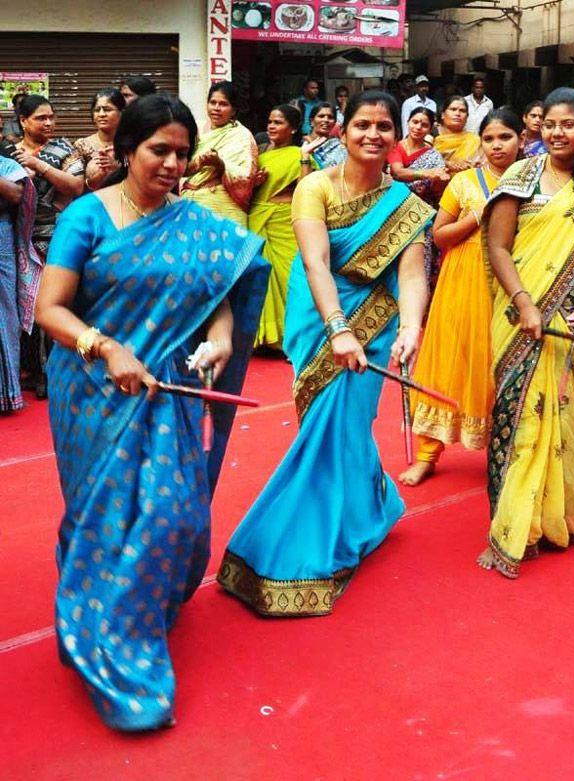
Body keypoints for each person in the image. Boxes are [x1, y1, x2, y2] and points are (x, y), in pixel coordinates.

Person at [34, 93, 267, 731]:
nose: (172, 163)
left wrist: (220, 339)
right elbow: (49, 309)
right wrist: (107, 347)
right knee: (103, 513)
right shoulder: (88, 216)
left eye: (183, 153)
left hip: (168, 390)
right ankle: (112, 646)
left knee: (174, 513)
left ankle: (132, 599)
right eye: (158, 150)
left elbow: (217, 290)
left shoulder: (195, 224)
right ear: (126, 151)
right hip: (93, 387)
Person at [219, 91, 435, 616]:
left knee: (347, 427)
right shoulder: (314, 186)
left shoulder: (406, 204)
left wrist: (411, 326)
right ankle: (288, 545)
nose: (373, 134)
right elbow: (315, 263)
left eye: (385, 126)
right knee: (325, 426)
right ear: (342, 129)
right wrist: (339, 330)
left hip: (378, 322)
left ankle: (362, 514)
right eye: (362, 123)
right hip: (319, 318)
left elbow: (411, 271)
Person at [478, 87, 574, 578]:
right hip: (520, 317)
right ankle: (517, 524)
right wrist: (526, 303)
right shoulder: (520, 178)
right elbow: (499, 247)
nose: (556, 132)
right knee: (522, 414)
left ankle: (568, 513)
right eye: (548, 123)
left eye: (569, 124)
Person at [399, 108, 524, 486]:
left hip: (513, 283)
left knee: (502, 363)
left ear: (521, 139)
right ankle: (427, 454)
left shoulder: (531, 182)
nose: (497, 145)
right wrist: (475, 219)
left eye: (505, 137)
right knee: (448, 360)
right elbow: (439, 236)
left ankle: (510, 451)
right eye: (489, 139)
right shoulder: (464, 182)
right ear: (480, 142)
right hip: (461, 279)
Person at [13, 95, 85, 398]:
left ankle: (51, 373)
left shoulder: (64, 150)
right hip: (18, 239)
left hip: (55, 237)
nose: (49, 123)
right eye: (41, 118)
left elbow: (76, 186)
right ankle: (29, 369)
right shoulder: (10, 152)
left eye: (51, 117)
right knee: (23, 308)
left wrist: (39, 166)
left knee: (51, 306)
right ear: (23, 121)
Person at [252, 104, 322, 350]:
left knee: (290, 278)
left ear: (292, 128)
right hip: (258, 218)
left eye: (278, 122)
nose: (271, 126)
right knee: (262, 278)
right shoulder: (259, 155)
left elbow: (306, 191)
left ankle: (292, 339)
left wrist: (304, 157)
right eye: (270, 121)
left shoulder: (300, 155)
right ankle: (265, 337)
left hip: (285, 223)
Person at [181, 81, 258, 227]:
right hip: (191, 202)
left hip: (223, 204)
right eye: (213, 102)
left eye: (223, 104)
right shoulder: (195, 129)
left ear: (234, 110)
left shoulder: (241, 135)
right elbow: (180, 168)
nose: (216, 108)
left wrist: (220, 164)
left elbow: (246, 177)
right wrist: (200, 162)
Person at [388, 106, 449, 283]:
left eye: (424, 124)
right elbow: (398, 172)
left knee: (420, 262)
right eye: (415, 122)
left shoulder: (434, 156)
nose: (418, 127)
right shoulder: (395, 147)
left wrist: (440, 179)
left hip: (421, 216)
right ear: (407, 122)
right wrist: (428, 173)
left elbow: (438, 188)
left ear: (430, 129)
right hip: (393, 213)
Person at [0, 153, 39, 413]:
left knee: (4, 313)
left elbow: (15, 194)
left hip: (1, 239)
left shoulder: (6, 164)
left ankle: (6, 394)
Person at [74, 88, 126, 192]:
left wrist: (118, 169)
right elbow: (75, 185)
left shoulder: (132, 145)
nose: (101, 114)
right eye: (97, 110)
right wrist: (95, 177)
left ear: (122, 113)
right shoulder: (82, 145)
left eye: (107, 109)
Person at [433, 95, 482, 175]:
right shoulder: (430, 134)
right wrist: (446, 163)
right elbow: (421, 159)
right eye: (453, 109)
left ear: (467, 117)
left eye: (462, 111)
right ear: (442, 114)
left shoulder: (474, 140)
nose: (458, 113)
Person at [304, 103, 347, 170]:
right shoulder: (302, 144)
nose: (326, 120)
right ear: (311, 121)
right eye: (321, 116)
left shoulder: (339, 147)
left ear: (334, 123)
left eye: (330, 117)